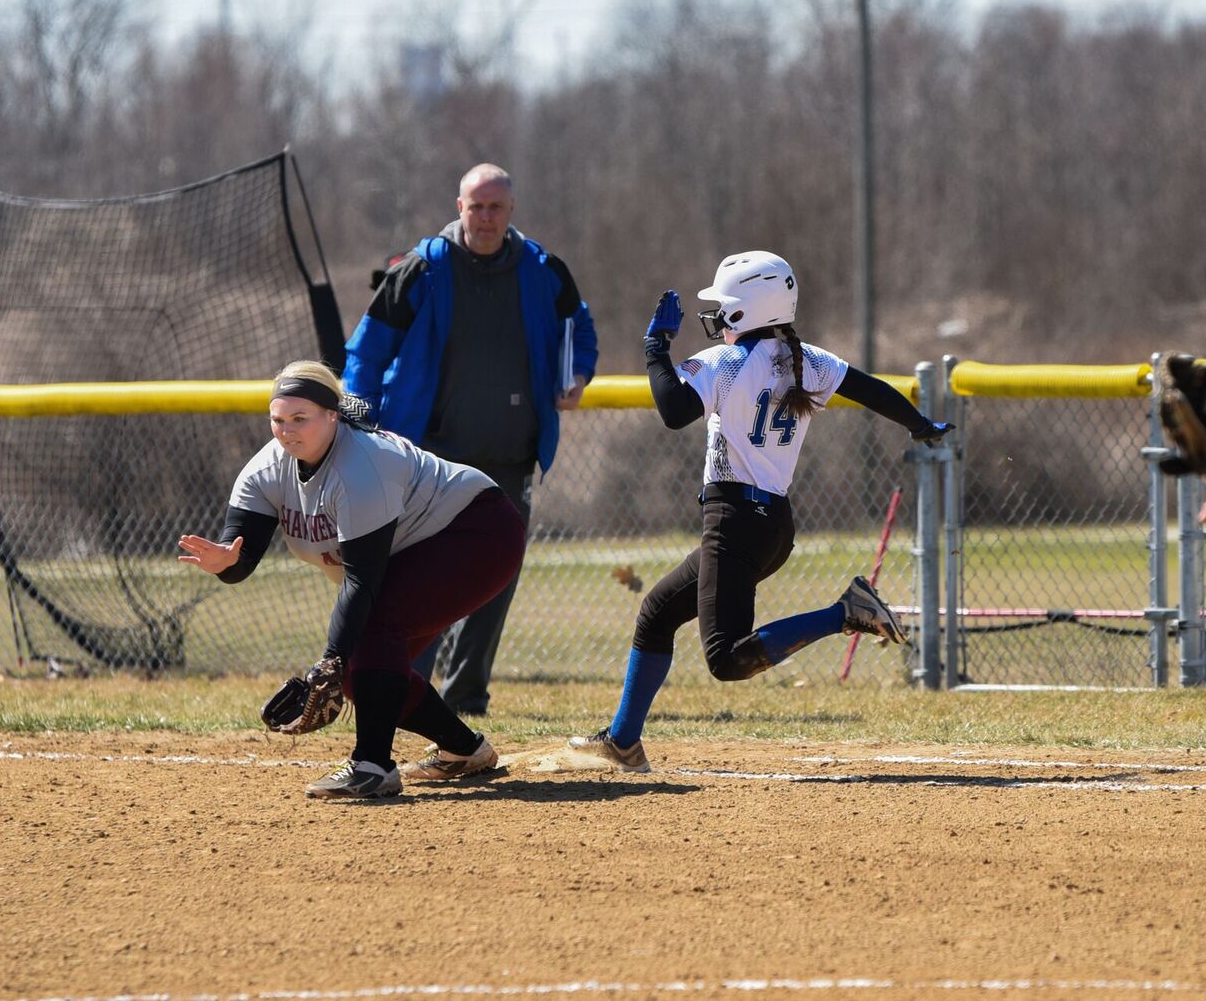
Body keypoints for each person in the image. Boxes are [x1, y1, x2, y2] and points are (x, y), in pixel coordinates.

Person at [570, 251, 953, 772]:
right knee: (657, 612)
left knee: (726, 659)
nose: (714, 320)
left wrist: (655, 348)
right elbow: (873, 391)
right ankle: (622, 741)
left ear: (743, 312)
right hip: (770, 526)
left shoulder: (729, 362)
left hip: (734, 523)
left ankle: (847, 612)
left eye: (721, 309)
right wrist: (919, 424)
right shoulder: (806, 359)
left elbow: (674, 411)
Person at [178, 360, 527, 799]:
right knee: (358, 675)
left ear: (332, 415)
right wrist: (226, 564)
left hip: (477, 532)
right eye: (278, 420)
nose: (287, 431)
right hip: (415, 551)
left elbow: (363, 581)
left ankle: (372, 767)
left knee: (373, 625)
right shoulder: (267, 472)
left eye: (300, 419)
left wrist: (329, 657)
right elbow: (240, 553)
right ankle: (464, 749)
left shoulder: (361, 464)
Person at [343, 163, 598, 716]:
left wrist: (577, 376)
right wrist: (357, 421)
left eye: (496, 207)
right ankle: (401, 693)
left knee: (492, 583)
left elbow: (580, 328)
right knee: (419, 587)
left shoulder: (544, 271)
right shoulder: (419, 271)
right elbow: (365, 352)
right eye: (475, 206)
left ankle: (465, 702)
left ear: (511, 211)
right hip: (426, 462)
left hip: (508, 458)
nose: (485, 217)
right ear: (459, 207)